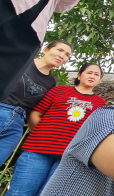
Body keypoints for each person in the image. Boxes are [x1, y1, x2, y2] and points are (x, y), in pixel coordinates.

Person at [6, 62, 106, 196]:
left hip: (68, 157)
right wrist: (42, 134)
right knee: (19, 193)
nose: (92, 76)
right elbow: (36, 113)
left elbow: (94, 129)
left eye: (96, 74)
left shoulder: (100, 102)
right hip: (37, 150)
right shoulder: (59, 90)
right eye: (89, 72)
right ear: (79, 75)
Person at [0, 39, 72, 165]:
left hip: (16, 125)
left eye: (67, 55)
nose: (62, 56)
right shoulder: (22, 62)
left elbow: (36, 110)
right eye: (60, 50)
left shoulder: (51, 83)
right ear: (45, 49)